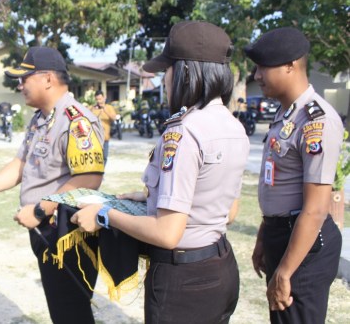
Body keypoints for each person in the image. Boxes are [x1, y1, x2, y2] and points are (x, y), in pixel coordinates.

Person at [71, 21, 248, 324]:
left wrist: (103, 215)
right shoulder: (233, 126)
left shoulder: (183, 132)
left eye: (167, 69)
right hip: (220, 268)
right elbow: (228, 211)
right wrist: (153, 196)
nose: (164, 79)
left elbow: (167, 234)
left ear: (185, 73)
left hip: (183, 280)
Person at [0, 46, 105, 324]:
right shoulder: (41, 119)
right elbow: (21, 164)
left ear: (48, 79)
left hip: (67, 231)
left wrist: (39, 210)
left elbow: (89, 177)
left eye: (25, 78)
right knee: (60, 309)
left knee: (71, 311)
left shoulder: (76, 120)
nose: (20, 85)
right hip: (46, 228)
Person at [245, 27, 343, 324]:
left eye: (264, 66)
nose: (257, 75)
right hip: (283, 235)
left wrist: (285, 271)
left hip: (305, 245)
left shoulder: (317, 120)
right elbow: (279, 184)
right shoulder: (286, 114)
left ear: (291, 65)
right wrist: (265, 234)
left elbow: (315, 209)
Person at [89, 89, 118, 164]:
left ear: (104, 98)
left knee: (104, 157)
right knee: (95, 157)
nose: (99, 101)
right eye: (97, 99)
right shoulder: (92, 108)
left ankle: (102, 174)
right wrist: (94, 111)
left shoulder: (109, 107)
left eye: (100, 99)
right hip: (94, 138)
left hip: (105, 137)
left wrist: (105, 110)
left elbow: (114, 118)